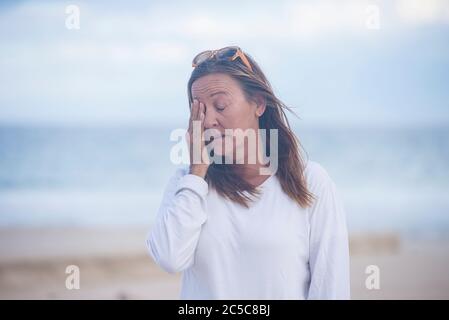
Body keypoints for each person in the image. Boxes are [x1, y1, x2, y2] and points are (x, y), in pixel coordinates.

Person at [146, 46, 350, 299]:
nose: (208, 121)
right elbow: (169, 258)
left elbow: (331, 289)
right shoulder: (187, 183)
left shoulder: (311, 183)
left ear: (259, 104)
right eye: (200, 110)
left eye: (220, 106)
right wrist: (197, 171)